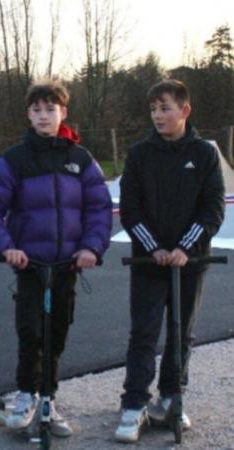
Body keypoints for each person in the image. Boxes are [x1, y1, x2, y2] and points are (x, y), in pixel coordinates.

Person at [0, 80, 112, 437]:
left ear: (63, 112)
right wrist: (6, 247)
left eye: (51, 109)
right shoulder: (13, 160)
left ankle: (49, 398)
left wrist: (91, 248)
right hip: (31, 266)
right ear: (28, 115)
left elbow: (98, 208)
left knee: (57, 333)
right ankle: (25, 394)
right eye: (37, 110)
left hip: (66, 266)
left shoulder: (80, 160)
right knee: (31, 330)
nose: (44, 116)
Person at [114, 79, 225, 443]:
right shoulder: (140, 153)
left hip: (190, 264)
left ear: (185, 111)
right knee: (143, 333)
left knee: (182, 333)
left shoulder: (205, 155)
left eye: (165, 108)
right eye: (153, 110)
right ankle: (133, 404)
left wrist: (184, 249)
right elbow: (129, 209)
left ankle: (171, 396)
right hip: (149, 263)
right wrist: (155, 249)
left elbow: (212, 208)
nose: (158, 116)